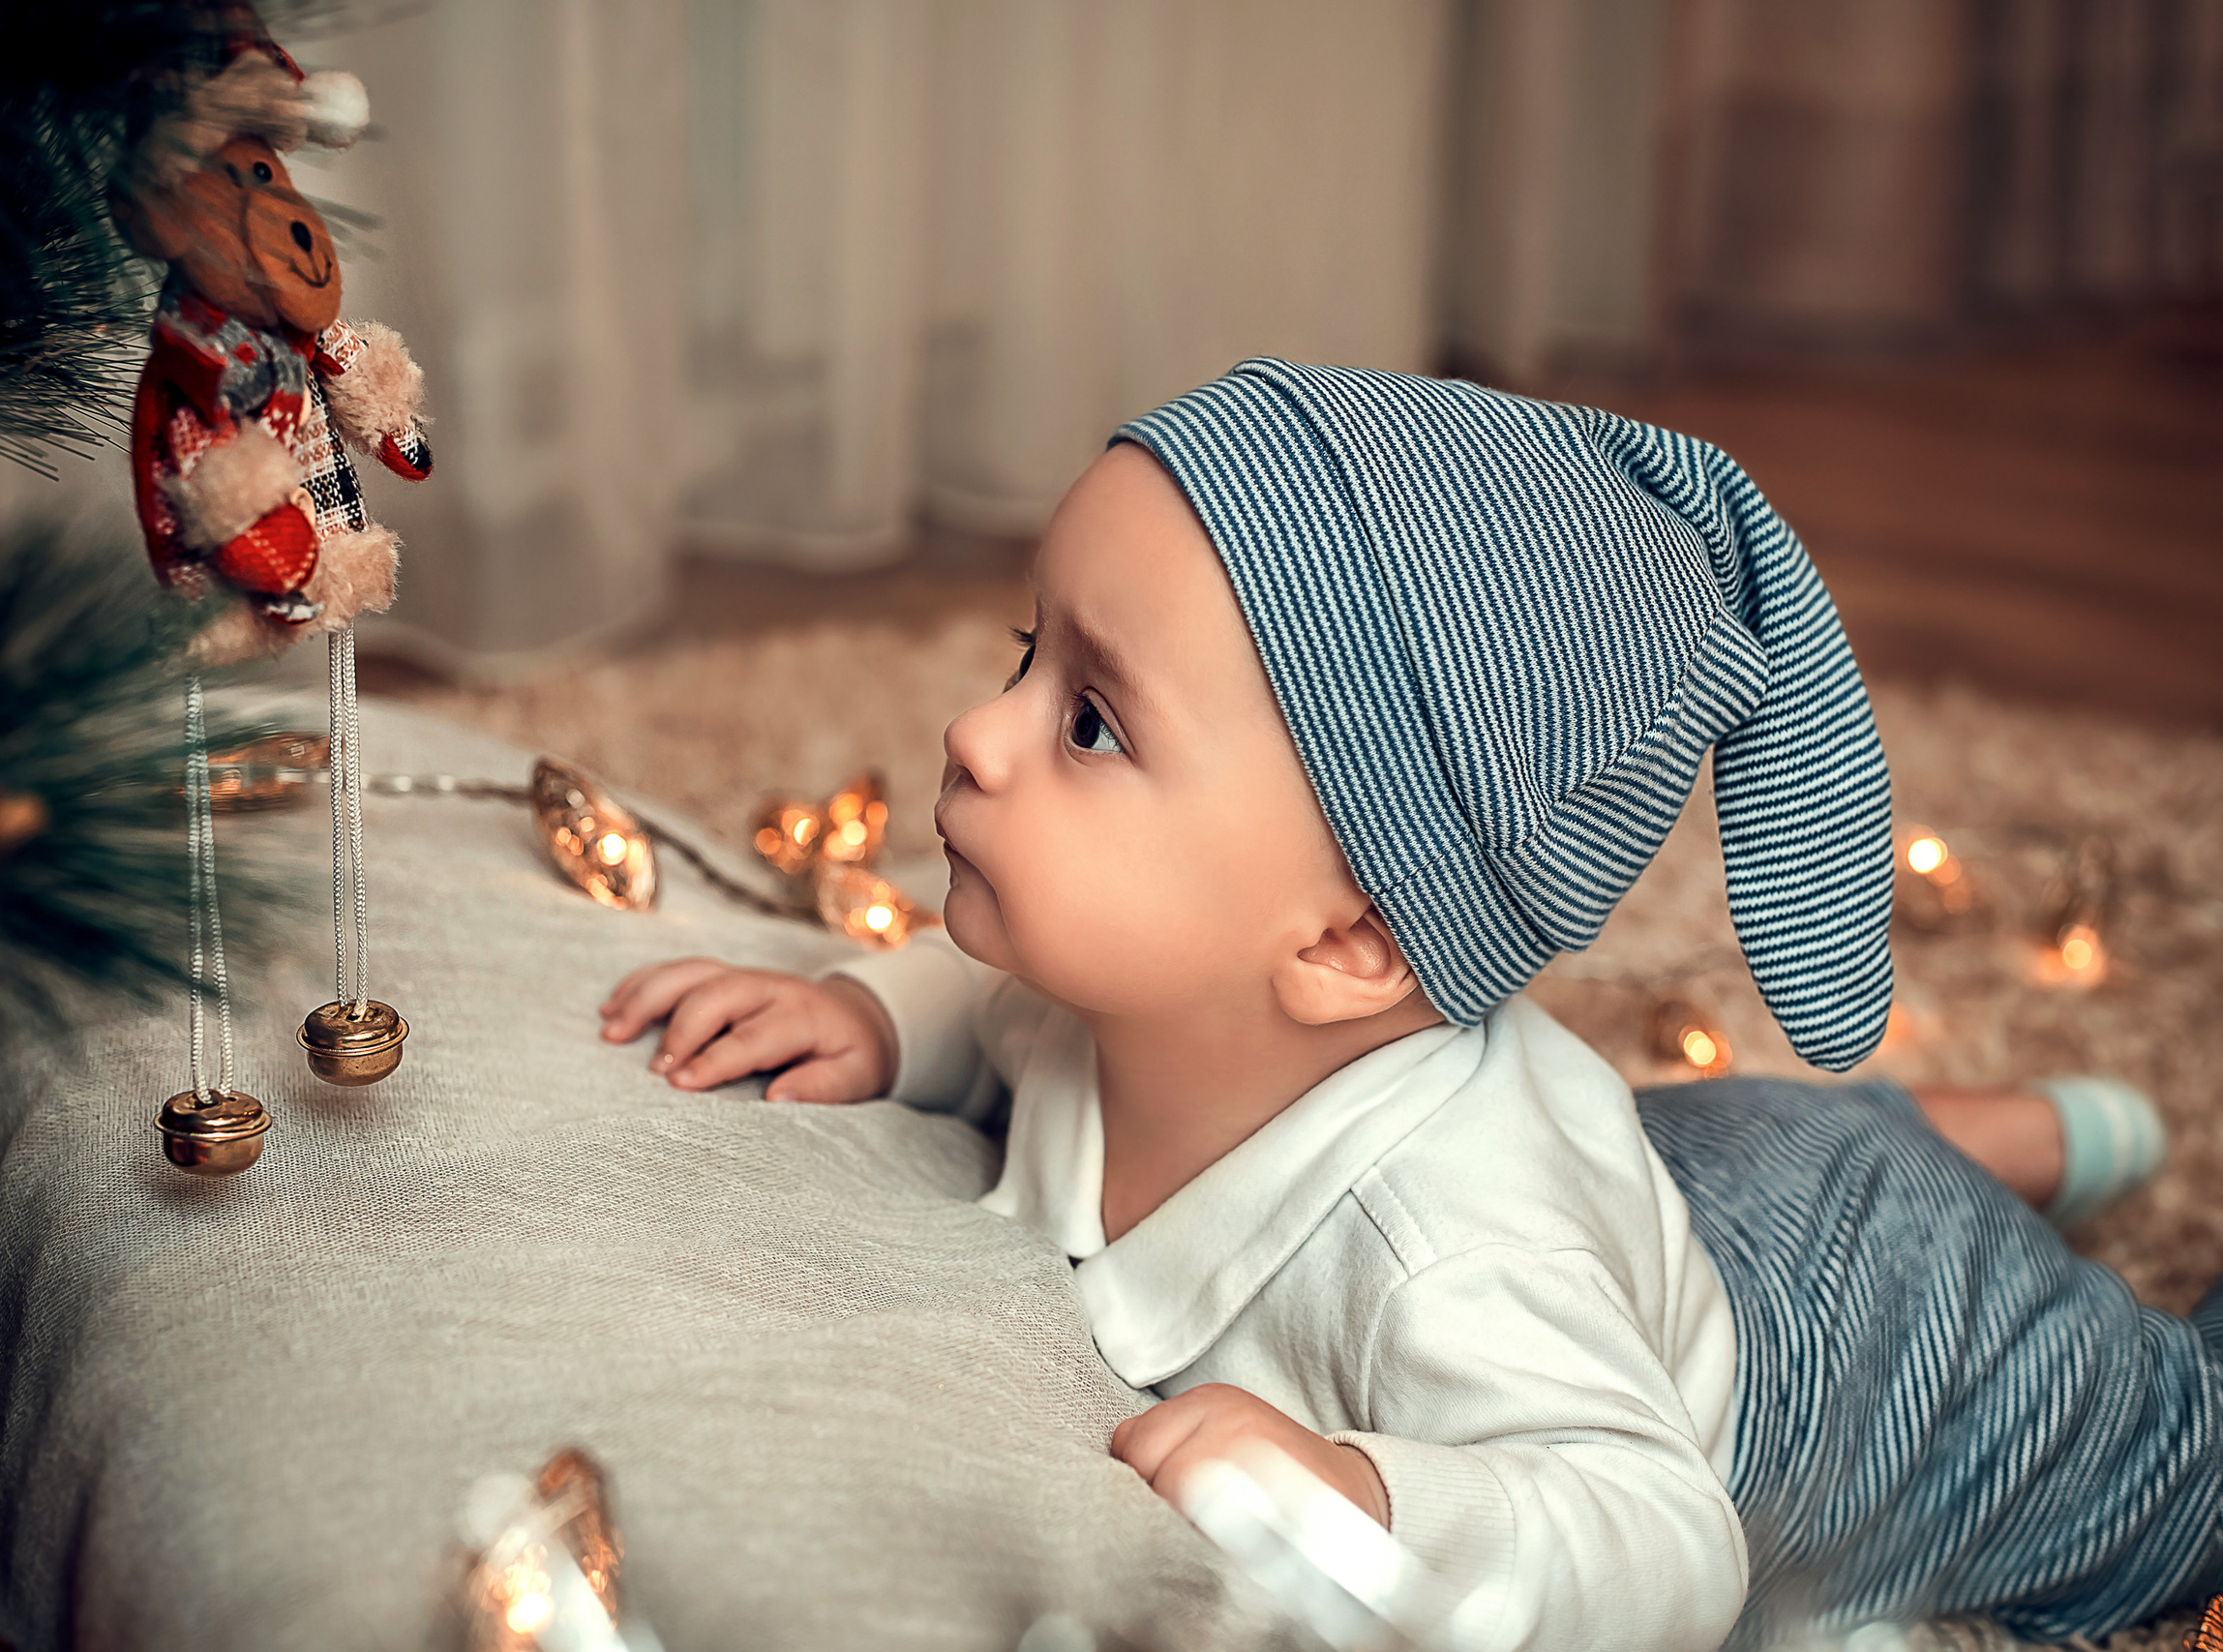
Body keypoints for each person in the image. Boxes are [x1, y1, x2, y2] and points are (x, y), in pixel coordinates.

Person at [597, 360, 2215, 1650]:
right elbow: (1006, 1013)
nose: (974, 732)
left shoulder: (1455, 1265)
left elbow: (1665, 1542)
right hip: (1706, 1171)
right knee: (1727, 1160)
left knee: (2182, 1463)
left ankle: (1999, 1178)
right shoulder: (1143, 997)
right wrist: (880, 1019)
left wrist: (1373, 1493)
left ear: (1357, 940)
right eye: (1028, 653)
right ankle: (2036, 1133)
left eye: (1089, 722)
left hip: (1868, 1351)